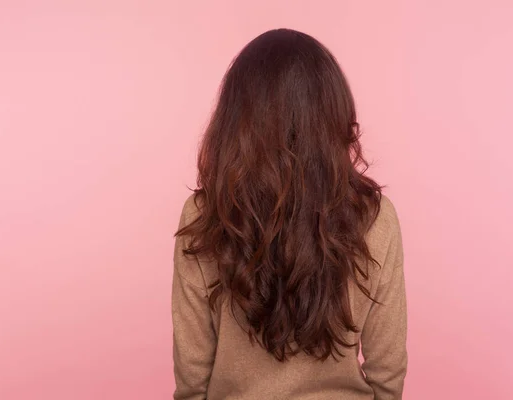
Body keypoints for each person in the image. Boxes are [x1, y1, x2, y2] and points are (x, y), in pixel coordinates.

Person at [172, 28, 407, 400]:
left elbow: (192, 377)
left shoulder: (205, 216)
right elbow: (388, 370)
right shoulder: (375, 217)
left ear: (235, 120)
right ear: (334, 114)